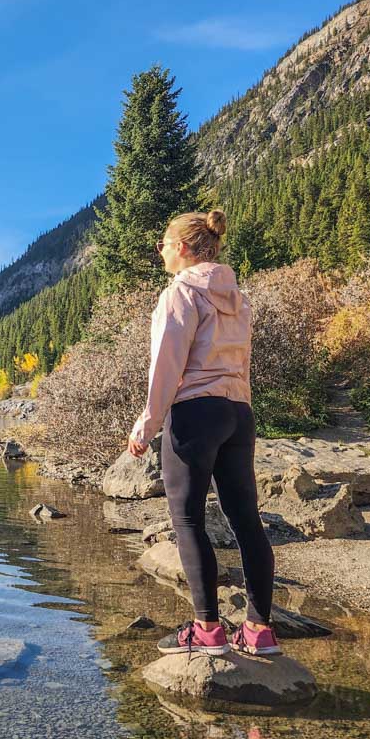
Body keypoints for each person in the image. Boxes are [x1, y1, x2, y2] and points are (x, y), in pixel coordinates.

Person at [126, 209, 281, 657]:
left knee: (188, 517)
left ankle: (207, 631)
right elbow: (242, 363)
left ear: (183, 249)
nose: (161, 253)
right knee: (246, 519)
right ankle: (258, 631)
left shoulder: (180, 293)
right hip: (237, 412)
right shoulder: (239, 297)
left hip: (195, 412)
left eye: (164, 244)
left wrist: (147, 423)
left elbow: (166, 366)